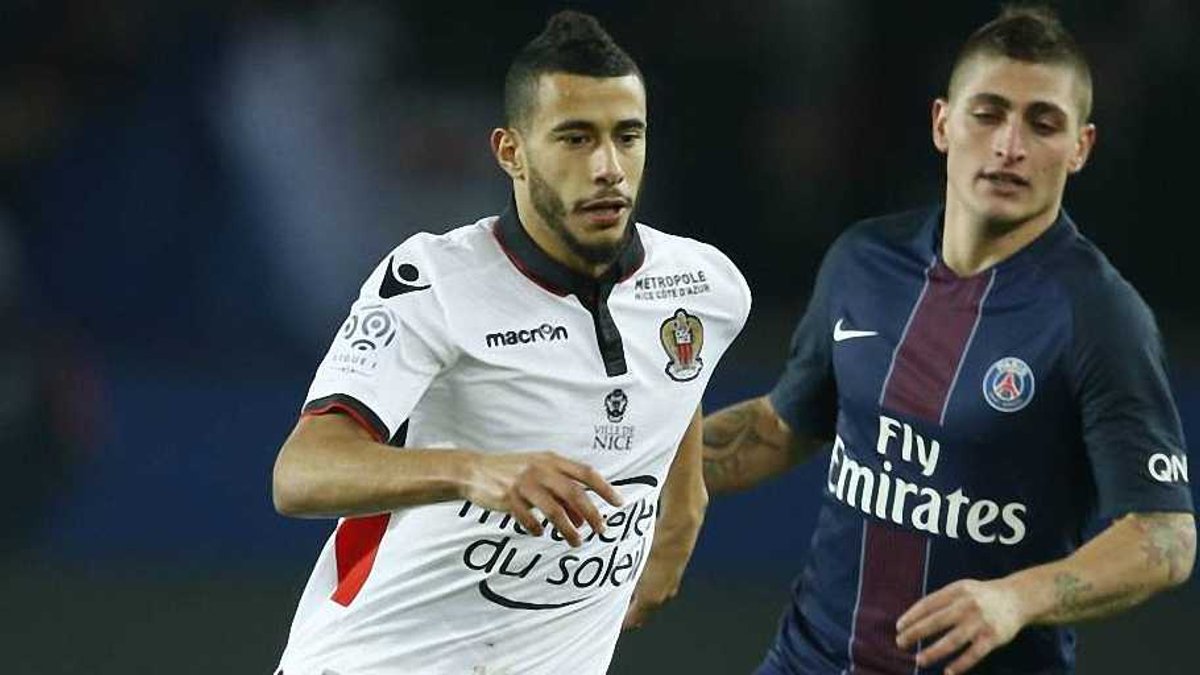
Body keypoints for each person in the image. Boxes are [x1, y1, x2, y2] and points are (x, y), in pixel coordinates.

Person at [702, 7, 1194, 675]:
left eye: (1043, 123)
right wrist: (627, 471)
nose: (1009, 145)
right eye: (988, 114)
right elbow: (779, 427)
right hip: (807, 660)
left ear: (1081, 147)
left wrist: (1017, 597)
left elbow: (1166, 536)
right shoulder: (863, 262)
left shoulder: (1099, 316)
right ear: (942, 123)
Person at [271, 10, 751, 675]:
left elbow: (674, 375)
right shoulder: (435, 280)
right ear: (511, 153)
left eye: (627, 136)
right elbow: (300, 473)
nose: (608, 167)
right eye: (575, 138)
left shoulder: (705, 287)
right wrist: (474, 471)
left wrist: (683, 506)